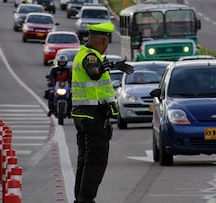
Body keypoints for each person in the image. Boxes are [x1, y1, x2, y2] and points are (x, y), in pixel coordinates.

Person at [71, 21, 134, 203]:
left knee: (85, 160)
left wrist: (112, 65)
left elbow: (96, 75)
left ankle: (80, 198)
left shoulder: (83, 53)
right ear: (104, 41)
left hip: (83, 115)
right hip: (92, 116)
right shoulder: (91, 57)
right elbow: (94, 71)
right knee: (96, 160)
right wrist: (102, 68)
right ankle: (86, 199)